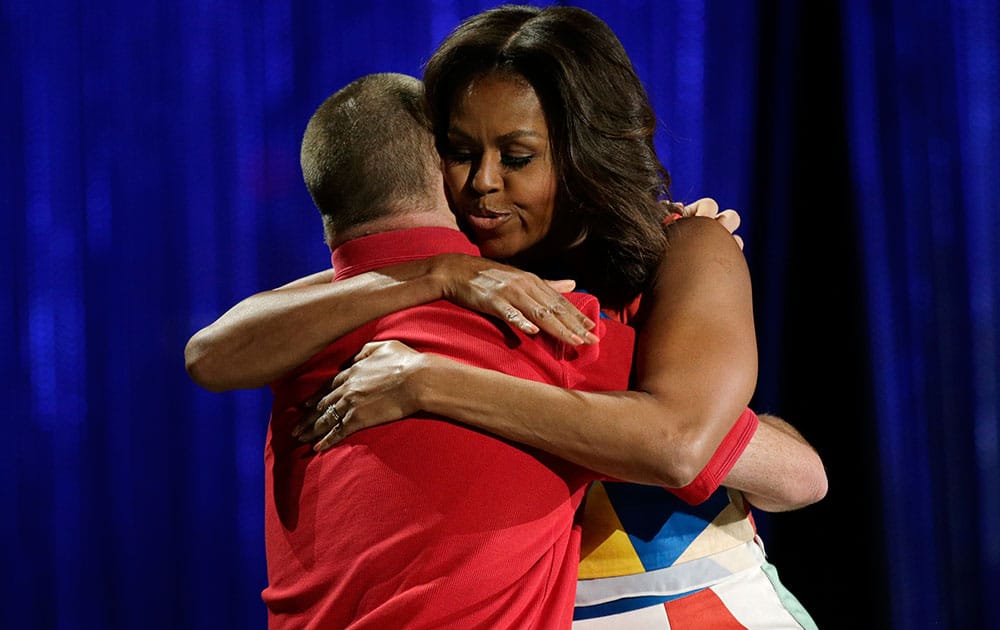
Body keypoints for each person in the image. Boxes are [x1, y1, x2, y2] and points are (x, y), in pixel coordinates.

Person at [185, 5, 826, 628]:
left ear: (581, 152)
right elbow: (213, 352)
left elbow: (708, 451)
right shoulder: (445, 275)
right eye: (460, 152)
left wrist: (430, 383)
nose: (482, 183)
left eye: (517, 158)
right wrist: (438, 274)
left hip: (697, 607)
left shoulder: (680, 249)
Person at [259, 71, 642, 629]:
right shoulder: (547, 324)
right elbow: (793, 475)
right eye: (465, 153)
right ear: (441, 171)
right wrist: (691, 260)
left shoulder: (287, 345)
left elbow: (207, 354)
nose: (486, 181)